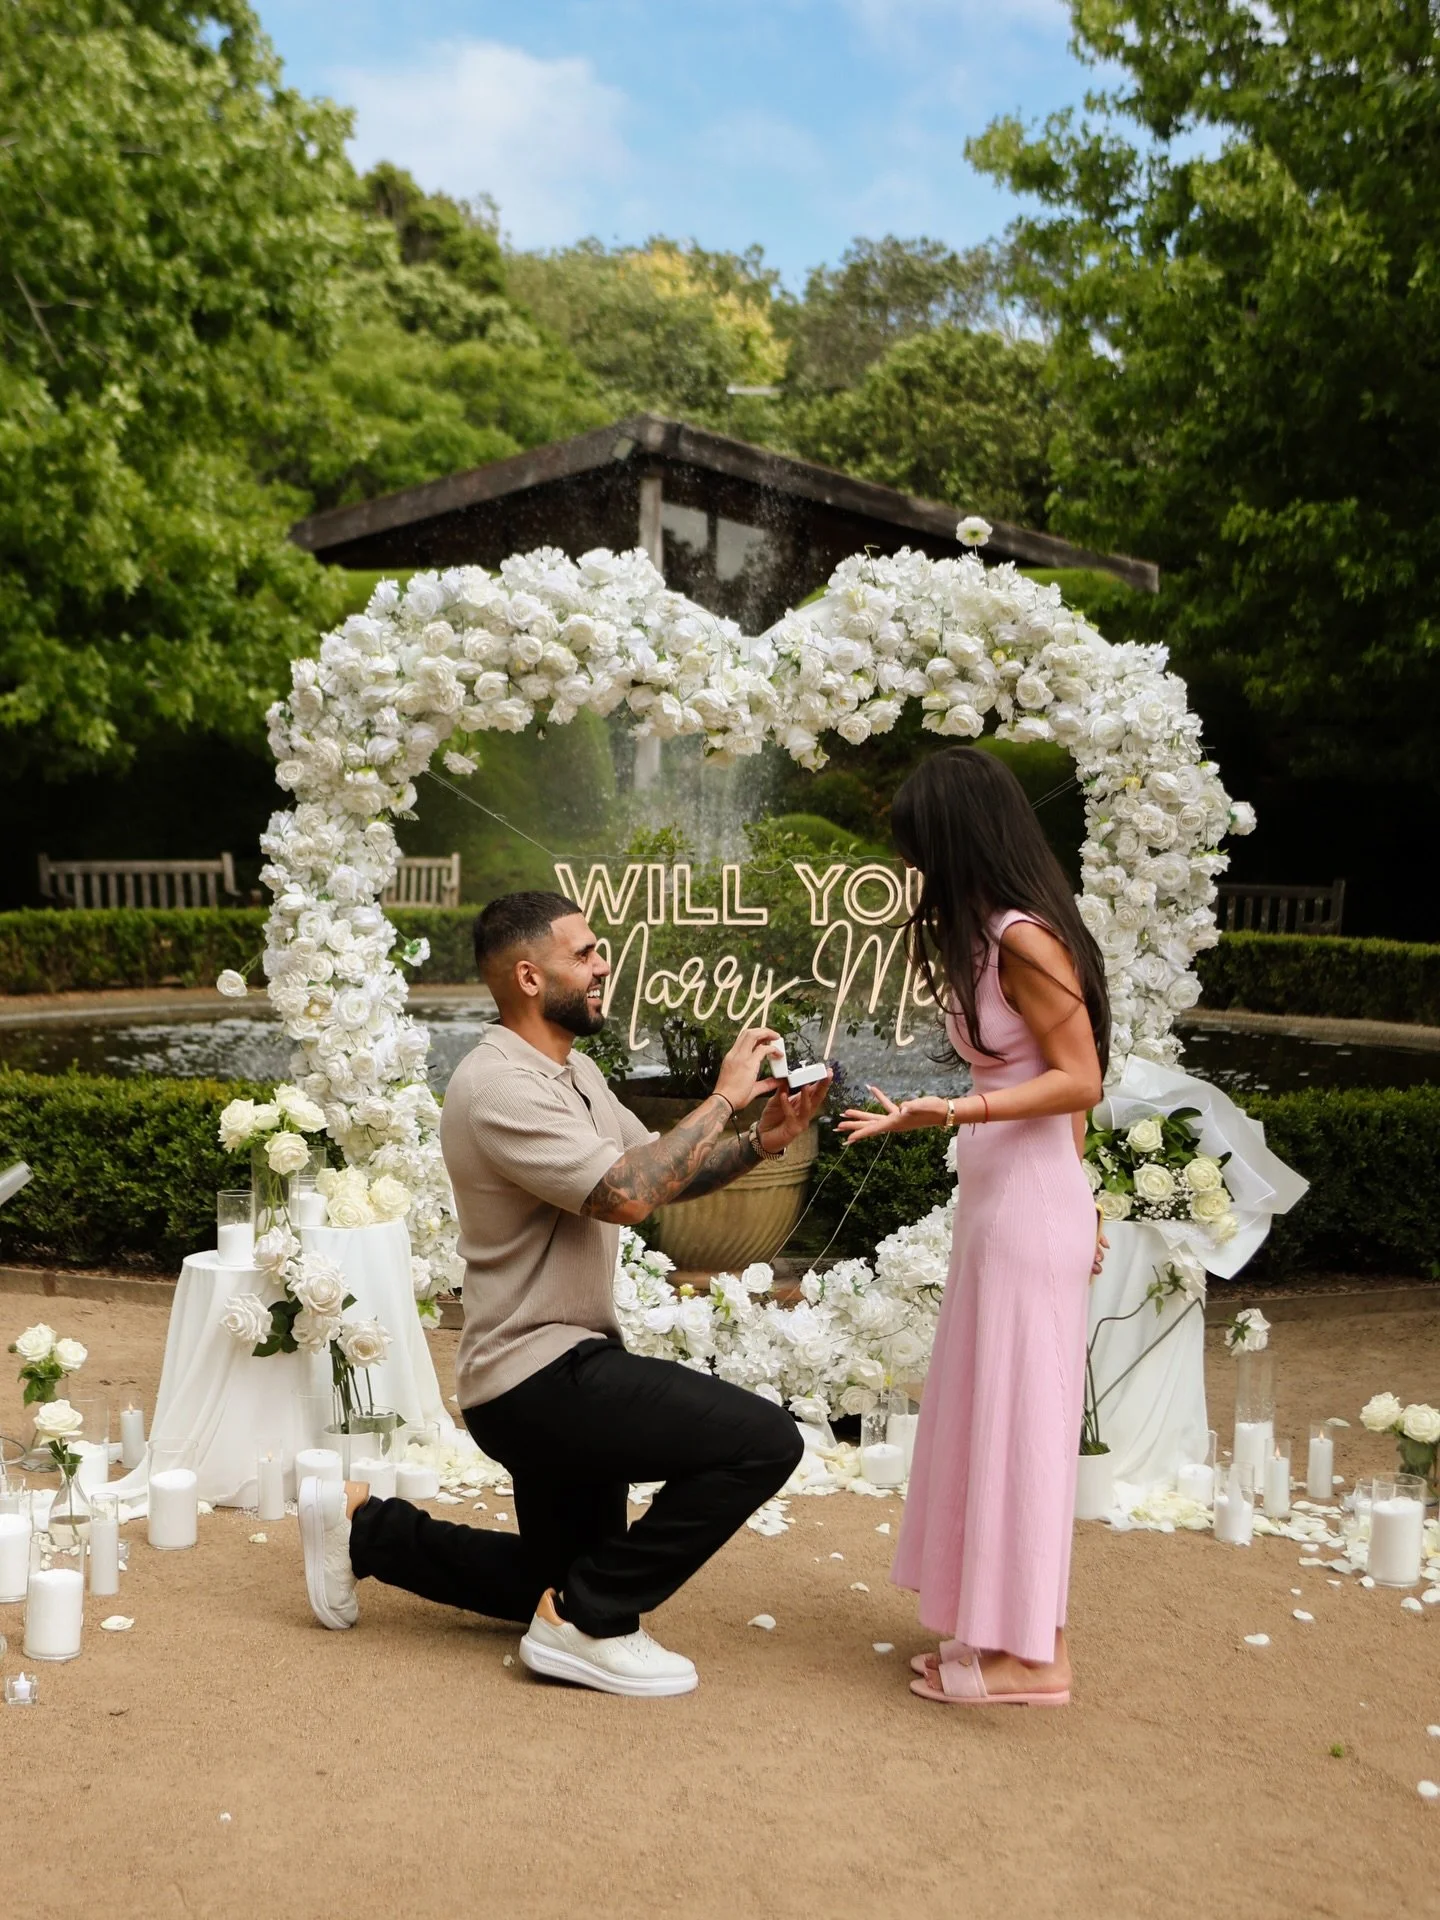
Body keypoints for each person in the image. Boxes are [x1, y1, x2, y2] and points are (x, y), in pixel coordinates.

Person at [298, 889, 828, 1697]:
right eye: (583, 953)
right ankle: (587, 1620)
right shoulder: (498, 1085)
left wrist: (760, 1139)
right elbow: (626, 1194)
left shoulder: (571, 1071)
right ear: (528, 976)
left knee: (549, 1578)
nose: (602, 963)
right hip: (535, 1377)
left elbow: (657, 1165)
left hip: (564, 1365)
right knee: (762, 1442)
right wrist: (724, 1096)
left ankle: (363, 1528)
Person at [837, 747, 1107, 1707]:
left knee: (1025, 1425)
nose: (917, 867)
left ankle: (1039, 1660)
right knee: (993, 1414)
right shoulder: (988, 935)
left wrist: (953, 1113)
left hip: (1026, 1199)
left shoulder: (1028, 938)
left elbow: (1081, 1078)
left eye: (922, 845)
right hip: (1009, 1199)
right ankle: (1002, 1634)